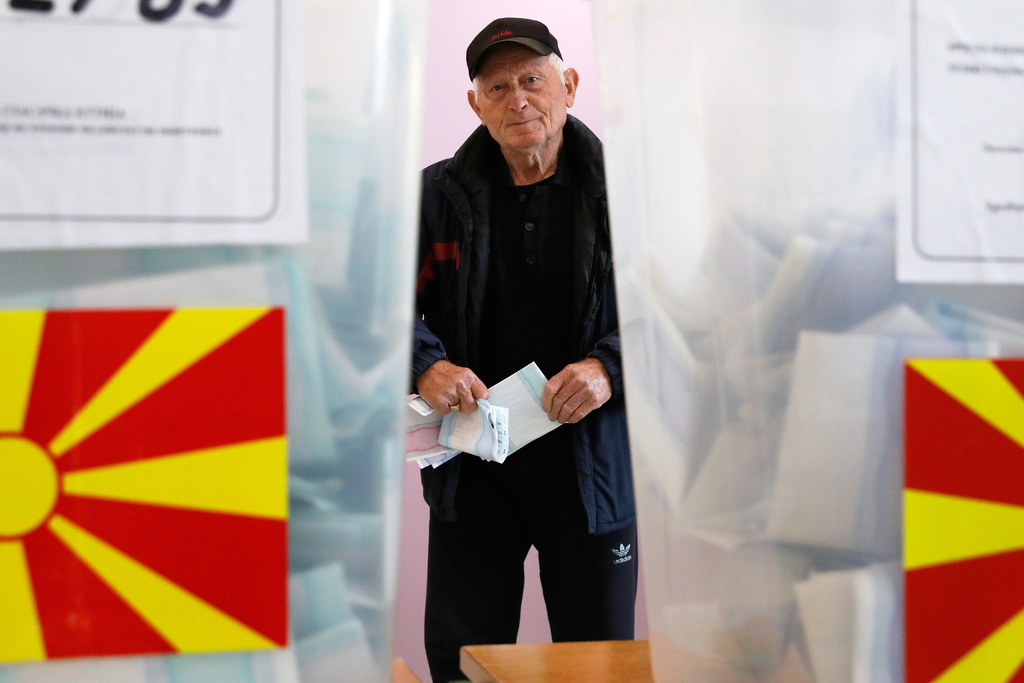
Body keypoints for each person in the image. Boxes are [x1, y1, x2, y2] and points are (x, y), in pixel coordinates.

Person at [410, 17, 636, 682]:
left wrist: (609, 368)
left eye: (533, 79)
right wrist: (424, 364)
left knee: (597, 666)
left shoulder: (632, 189)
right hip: (473, 463)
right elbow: (372, 303)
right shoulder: (434, 196)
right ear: (475, 104)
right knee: (461, 663)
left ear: (569, 85)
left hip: (592, 465)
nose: (518, 99)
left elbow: (685, 309)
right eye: (497, 87)